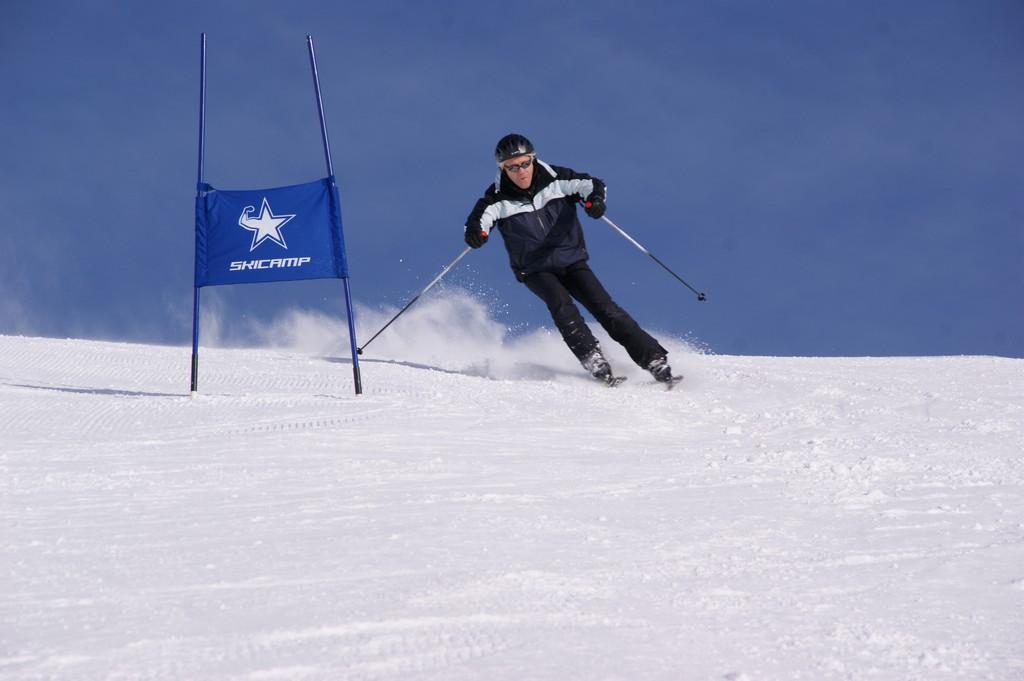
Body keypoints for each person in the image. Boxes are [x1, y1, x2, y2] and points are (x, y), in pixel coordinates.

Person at [463, 133, 677, 385]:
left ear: (533, 159)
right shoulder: (496, 199)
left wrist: (594, 201)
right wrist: (476, 234)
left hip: (571, 259)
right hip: (534, 269)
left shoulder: (556, 179)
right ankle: (593, 359)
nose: (520, 171)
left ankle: (653, 359)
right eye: (512, 167)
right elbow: (477, 221)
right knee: (561, 306)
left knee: (606, 309)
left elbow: (591, 184)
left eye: (524, 163)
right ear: (502, 169)